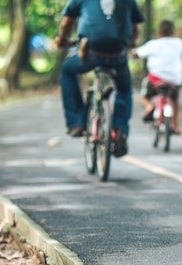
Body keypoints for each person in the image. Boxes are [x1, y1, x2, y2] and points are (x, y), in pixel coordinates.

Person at [55, 0, 144, 157]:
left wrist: (63, 39)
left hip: (90, 54)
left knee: (67, 70)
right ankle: (119, 128)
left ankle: (77, 122)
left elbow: (66, 23)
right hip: (117, 56)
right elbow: (134, 27)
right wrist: (131, 43)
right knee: (124, 89)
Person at [132, 20, 182, 135]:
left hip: (156, 80)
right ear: (173, 32)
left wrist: (135, 53)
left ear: (158, 32)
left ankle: (149, 106)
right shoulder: (178, 43)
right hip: (174, 81)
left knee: (143, 97)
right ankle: (175, 125)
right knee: (175, 100)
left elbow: (137, 53)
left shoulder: (153, 44)